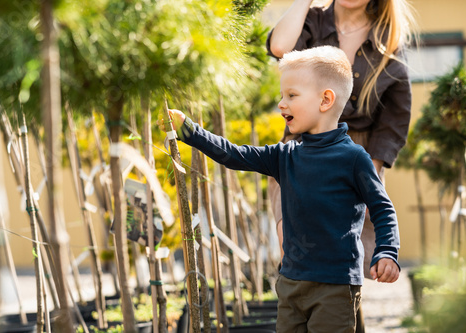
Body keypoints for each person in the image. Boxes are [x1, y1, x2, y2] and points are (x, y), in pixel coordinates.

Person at [161, 46, 400, 333]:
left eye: (292, 95)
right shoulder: (285, 155)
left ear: (325, 100)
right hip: (291, 283)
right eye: (282, 95)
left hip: (335, 285)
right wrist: (190, 131)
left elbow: (383, 208)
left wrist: (387, 251)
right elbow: (235, 154)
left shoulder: (354, 159)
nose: (281, 104)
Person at [266, 0, 415, 304]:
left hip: (357, 156)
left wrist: (366, 178)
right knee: (295, 253)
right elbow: (280, 46)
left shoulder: (388, 41)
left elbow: (393, 123)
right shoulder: (313, 22)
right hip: (299, 152)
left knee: (343, 271)